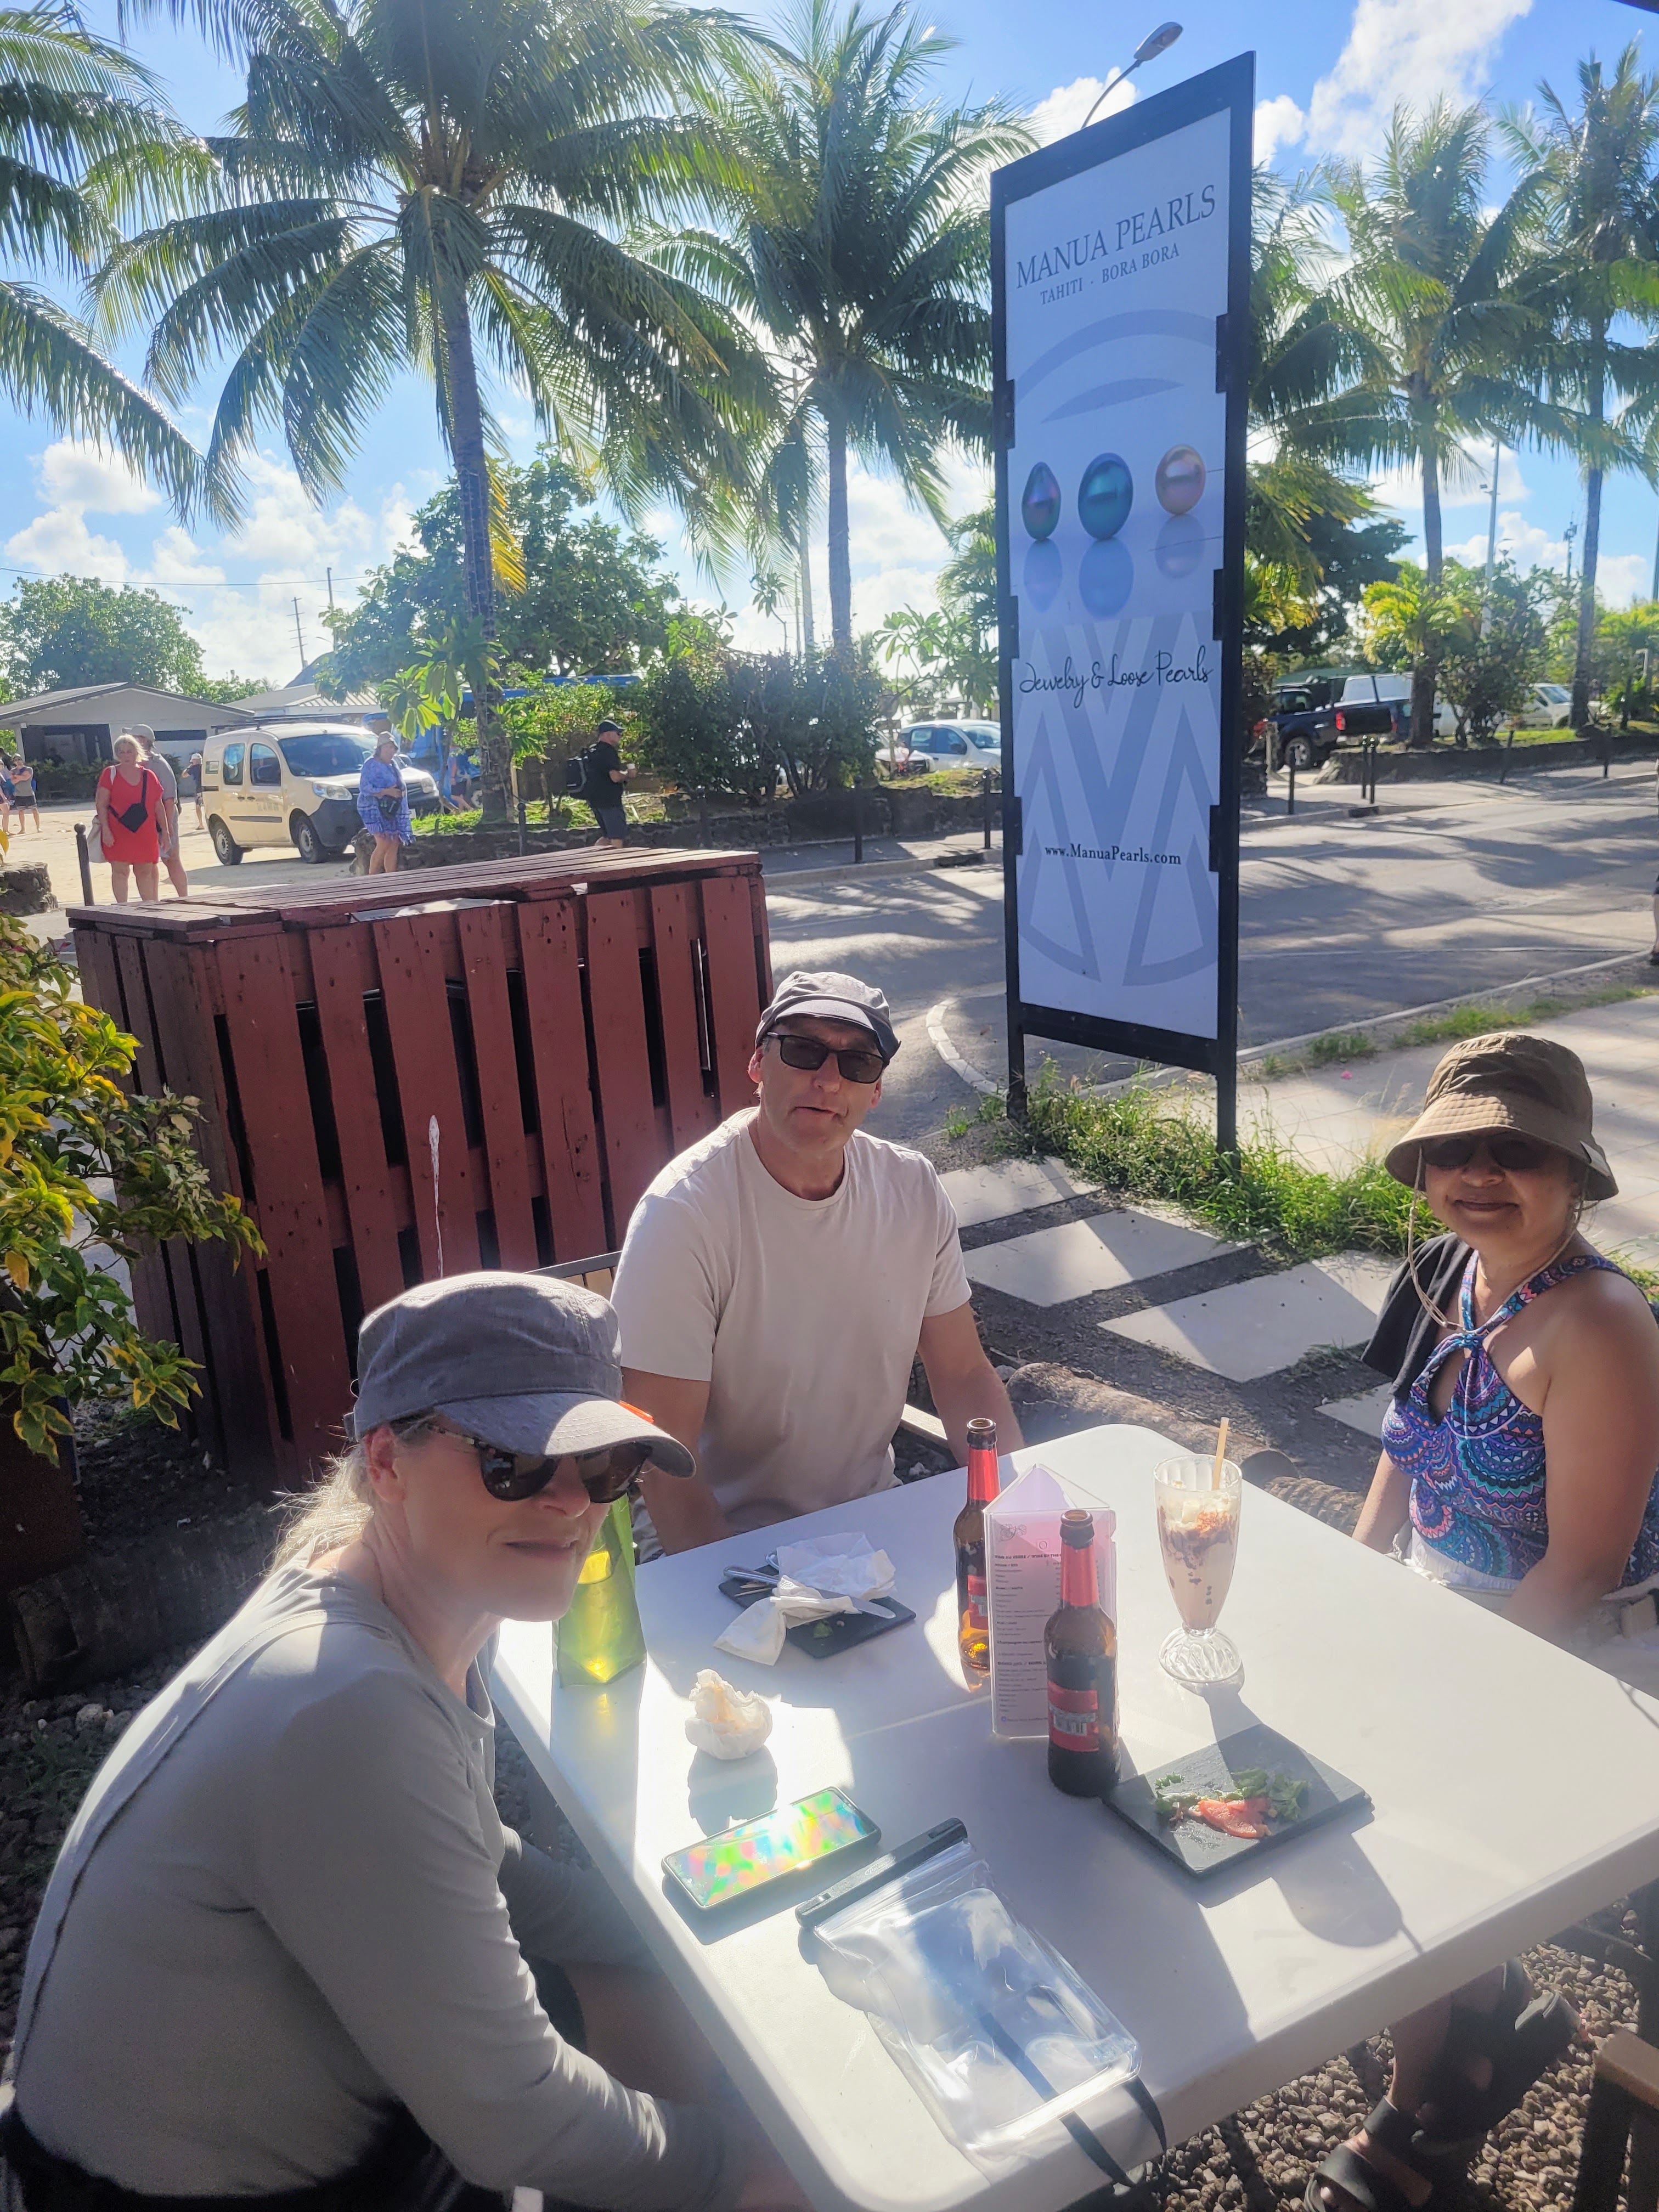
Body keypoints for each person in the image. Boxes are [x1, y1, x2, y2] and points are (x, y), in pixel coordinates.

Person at [0, 1271, 808, 2212]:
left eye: (603, 1465)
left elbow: (482, 1855)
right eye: (511, 1462)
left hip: (299, 2134)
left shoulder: (388, 1605)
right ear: (386, 1464)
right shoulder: (345, 1705)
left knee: (658, 2002)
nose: (570, 1503)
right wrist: (749, 2168)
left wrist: (668, 1945)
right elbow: (513, 2117)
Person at [1307, 1031, 1659, 2212]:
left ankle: (1420, 2103)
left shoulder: (1599, 1325)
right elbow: (1400, 1454)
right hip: (1448, 1610)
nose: (1479, 1174)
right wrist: (1347, 1585)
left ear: (1574, 1175)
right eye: (1455, 1149)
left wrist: (1446, 1692)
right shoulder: (1445, 1273)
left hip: (1581, 1649)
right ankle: (1484, 2014)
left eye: (1518, 1152)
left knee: (1401, 1813)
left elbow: (1583, 1563)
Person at [611, 970, 1021, 1553]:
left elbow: (963, 1376)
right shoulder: (685, 1214)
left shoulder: (911, 1189)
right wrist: (747, 1593)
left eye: (857, 1063)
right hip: (716, 1546)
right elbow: (664, 1459)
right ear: (758, 1063)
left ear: (875, 1091)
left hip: (868, 1525)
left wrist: (1018, 1517)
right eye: (804, 1050)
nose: (828, 1080)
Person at [93, 733, 163, 902]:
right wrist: (106, 831)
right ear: (117, 754)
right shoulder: (110, 774)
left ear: (137, 752)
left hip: (145, 832)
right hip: (118, 831)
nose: (126, 756)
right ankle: (122, 908)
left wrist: (166, 833)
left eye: (129, 751)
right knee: (120, 871)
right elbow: (101, 804)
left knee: (145, 872)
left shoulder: (149, 776)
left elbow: (158, 806)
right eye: (121, 752)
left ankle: (149, 908)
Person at [130, 724, 187, 896]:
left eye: (134, 738)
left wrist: (167, 829)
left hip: (163, 814)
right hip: (142, 818)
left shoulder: (159, 764)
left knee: (171, 859)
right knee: (148, 862)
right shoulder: (131, 764)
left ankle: (184, 898)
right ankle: (153, 901)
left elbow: (169, 799)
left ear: (143, 740)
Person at [359, 729, 412, 873]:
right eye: (388, 747)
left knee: (394, 842)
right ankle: (372, 879)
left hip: (391, 809)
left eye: (393, 748)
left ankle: (391, 878)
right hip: (373, 808)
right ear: (380, 749)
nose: (391, 751)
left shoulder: (393, 765)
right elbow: (365, 787)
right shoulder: (371, 764)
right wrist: (386, 792)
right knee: (384, 842)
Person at [582, 719, 632, 849]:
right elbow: (615, 777)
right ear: (608, 734)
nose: (620, 736)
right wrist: (628, 774)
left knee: (607, 837)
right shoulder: (608, 751)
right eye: (618, 733)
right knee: (616, 838)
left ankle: (592, 859)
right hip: (610, 802)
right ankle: (618, 862)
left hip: (595, 802)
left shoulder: (592, 751)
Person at [183, 749, 205, 829]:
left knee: (198, 806)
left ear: (195, 761)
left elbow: (184, 775)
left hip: (199, 789)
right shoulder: (205, 766)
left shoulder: (194, 768)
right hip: (208, 789)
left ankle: (201, 824)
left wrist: (189, 767)